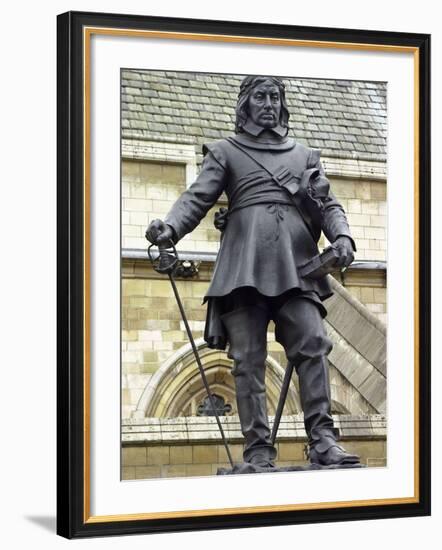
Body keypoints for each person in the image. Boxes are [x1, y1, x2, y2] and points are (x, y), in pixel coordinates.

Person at [146, 75, 360, 469]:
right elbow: (197, 198)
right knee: (247, 359)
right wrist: (170, 227)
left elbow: (327, 204)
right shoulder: (227, 151)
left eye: (275, 96)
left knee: (313, 342)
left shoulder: (305, 155)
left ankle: (324, 440)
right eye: (260, 96)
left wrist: (343, 236)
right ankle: (258, 450)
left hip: (297, 264)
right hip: (243, 266)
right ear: (245, 104)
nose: (268, 103)